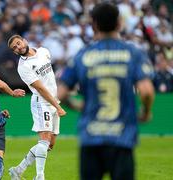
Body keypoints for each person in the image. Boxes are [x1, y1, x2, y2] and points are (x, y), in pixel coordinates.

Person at [58, 2, 155, 180]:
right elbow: (147, 91)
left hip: (91, 136)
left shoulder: (83, 55)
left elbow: (61, 94)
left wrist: (78, 106)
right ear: (119, 23)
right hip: (122, 137)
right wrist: (146, 112)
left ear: (94, 25)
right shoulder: (132, 53)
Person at [7, 35, 66, 180]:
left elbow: (50, 76)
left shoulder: (44, 51)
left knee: (50, 145)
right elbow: (40, 88)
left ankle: (18, 170)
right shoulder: (23, 67)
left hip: (53, 100)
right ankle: (40, 176)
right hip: (42, 102)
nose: (18, 47)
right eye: (14, 48)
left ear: (24, 41)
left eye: (18, 43)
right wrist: (56, 106)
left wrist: (57, 101)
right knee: (44, 140)